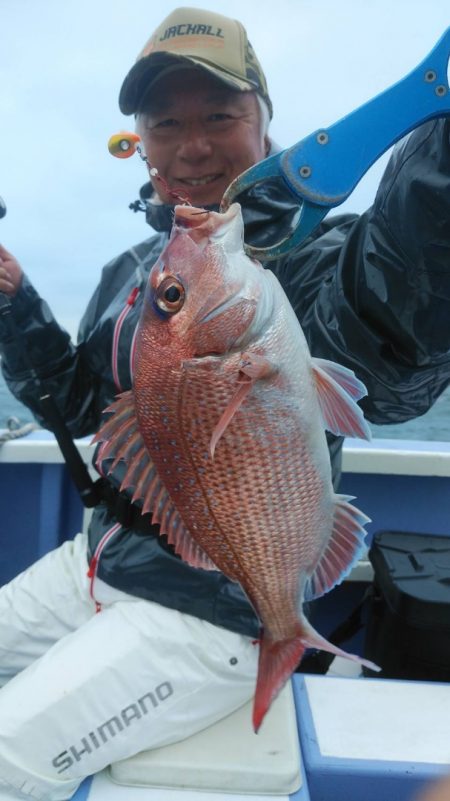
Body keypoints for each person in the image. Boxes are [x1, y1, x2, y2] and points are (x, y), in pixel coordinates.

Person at [0, 6, 449, 800]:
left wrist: (440, 159)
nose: (193, 143)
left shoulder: (309, 263)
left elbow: (393, 330)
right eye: (165, 122)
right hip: (100, 559)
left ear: (266, 121)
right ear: (140, 141)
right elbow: (80, 408)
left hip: (215, 608)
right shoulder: (134, 271)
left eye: (219, 114)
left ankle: (280, 634)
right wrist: (14, 303)